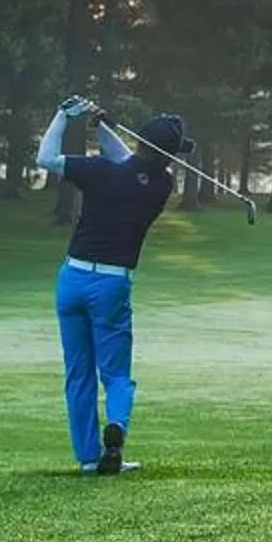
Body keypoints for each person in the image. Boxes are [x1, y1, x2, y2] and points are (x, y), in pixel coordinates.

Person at [35, 94, 191, 475]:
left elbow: (46, 158)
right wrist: (102, 127)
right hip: (112, 284)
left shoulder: (99, 171)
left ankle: (89, 458)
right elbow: (134, 163)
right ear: (166, 156)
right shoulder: (161, 186)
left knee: (79, 374)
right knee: (116, 374)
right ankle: (116, 428)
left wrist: (63, 115)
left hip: (72, 279)